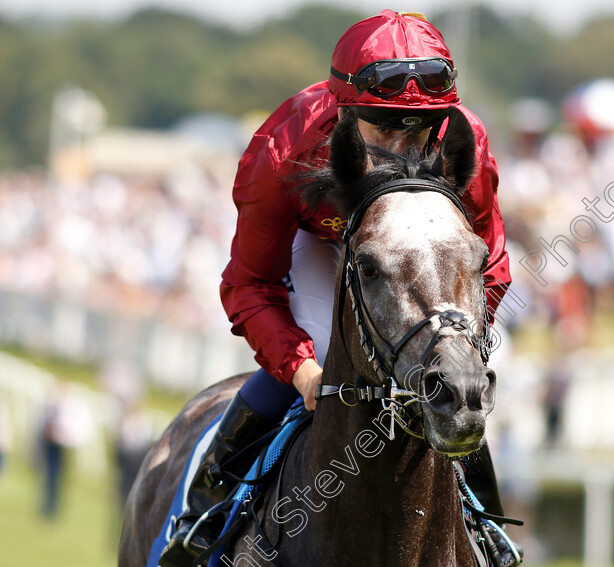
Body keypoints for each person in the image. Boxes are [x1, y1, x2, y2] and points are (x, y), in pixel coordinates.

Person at [161, 10, 519, 567]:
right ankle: (207, 508)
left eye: (417, 131)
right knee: (332, 354)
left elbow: (488, 265)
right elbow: (249, 285)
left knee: (446, 373)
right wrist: (302, 371)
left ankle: (486, 525)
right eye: (382, 129)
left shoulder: (464, 137)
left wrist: (456, 346)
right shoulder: (284, 147)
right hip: (321, 239)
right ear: (344, 115)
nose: (402, 150)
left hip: (415, 248)